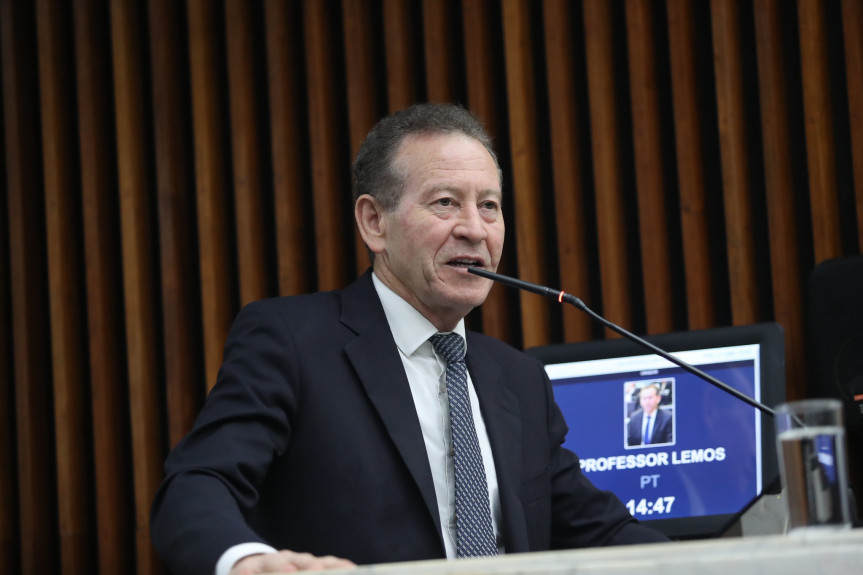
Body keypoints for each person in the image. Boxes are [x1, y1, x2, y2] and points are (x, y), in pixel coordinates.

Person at [150, 103, 669, 575]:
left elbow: (600, 532)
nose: (475, 229)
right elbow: (199, 482)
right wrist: (247, 561)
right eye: (446, 202)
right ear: (374, 222)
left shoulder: (519, 378)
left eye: (489, 205)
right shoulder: (292, 342)